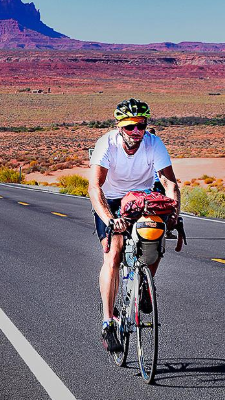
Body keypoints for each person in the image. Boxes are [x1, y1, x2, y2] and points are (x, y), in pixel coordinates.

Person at [88, 99, 181, 352]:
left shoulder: (153, 143)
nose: (136, 132)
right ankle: (108, 322)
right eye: (130, 127)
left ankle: (144, 282)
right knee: (114, 253)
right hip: (113, 200)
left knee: (156, 232)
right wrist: (110, 220)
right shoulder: (106, 144)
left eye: (141, 126)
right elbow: (95, 187)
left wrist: (174, 213)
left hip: (141, 197)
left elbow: (170, 183)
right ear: (120, 127)